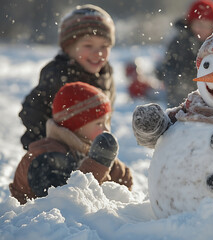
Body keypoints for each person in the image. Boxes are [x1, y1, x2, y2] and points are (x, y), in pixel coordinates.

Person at [10, 82, 133, 204]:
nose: (106, 129)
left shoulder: (85, 148)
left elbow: (123, 180)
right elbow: (66, 202)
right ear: (75, 126)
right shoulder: (47, 156)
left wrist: (113, 166)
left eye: (107, 123)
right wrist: (98, 165)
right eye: (99, 123)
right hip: (34, 219)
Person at [19, 4, 116, 150]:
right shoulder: (58, 75)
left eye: (104, 46)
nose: (98, 53)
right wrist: (44, 142)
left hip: (90, 149)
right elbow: (32, 110)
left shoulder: (106, 76)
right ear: (68, 48)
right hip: (58, 151)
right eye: (88, 46)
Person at [156, 0, 213, 107]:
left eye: (207, 25)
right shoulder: (179, 41)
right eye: (199, 24)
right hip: (180, 95)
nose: (202, 29)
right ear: (190, 23)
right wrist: (175, 82)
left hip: (211, 96)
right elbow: (168, 65)